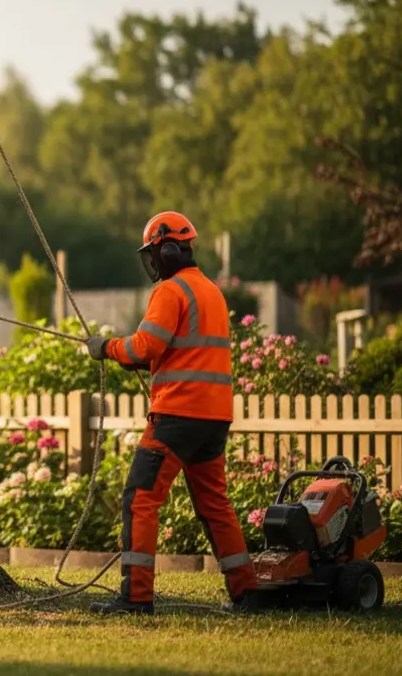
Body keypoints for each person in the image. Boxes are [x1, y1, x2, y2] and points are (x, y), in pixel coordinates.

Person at [83, 211, 260, 615]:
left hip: (177, 415)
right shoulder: (212, 292)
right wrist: (133, 358)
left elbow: (145, 347)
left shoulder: (170, 292)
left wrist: (106, 348)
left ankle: (136, 596)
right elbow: (177, 351)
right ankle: (247, 593)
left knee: (140, 499)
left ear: (167, 250)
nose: (153, 263)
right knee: (216, 505)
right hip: (213, 419)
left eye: (154, 254)